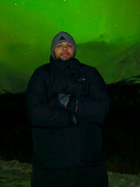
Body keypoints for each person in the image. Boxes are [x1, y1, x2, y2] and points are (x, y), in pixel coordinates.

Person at [25, 31, 111, 186]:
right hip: (49, 169)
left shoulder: (90, 73)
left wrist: (69, 102)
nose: (64, 48)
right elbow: (35, 112)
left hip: (89, 167)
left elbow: (101, 109)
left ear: (74, 49)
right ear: (53, 50)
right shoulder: (41, 75)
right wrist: (72, 117)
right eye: (59, 45)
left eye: (69, 45)